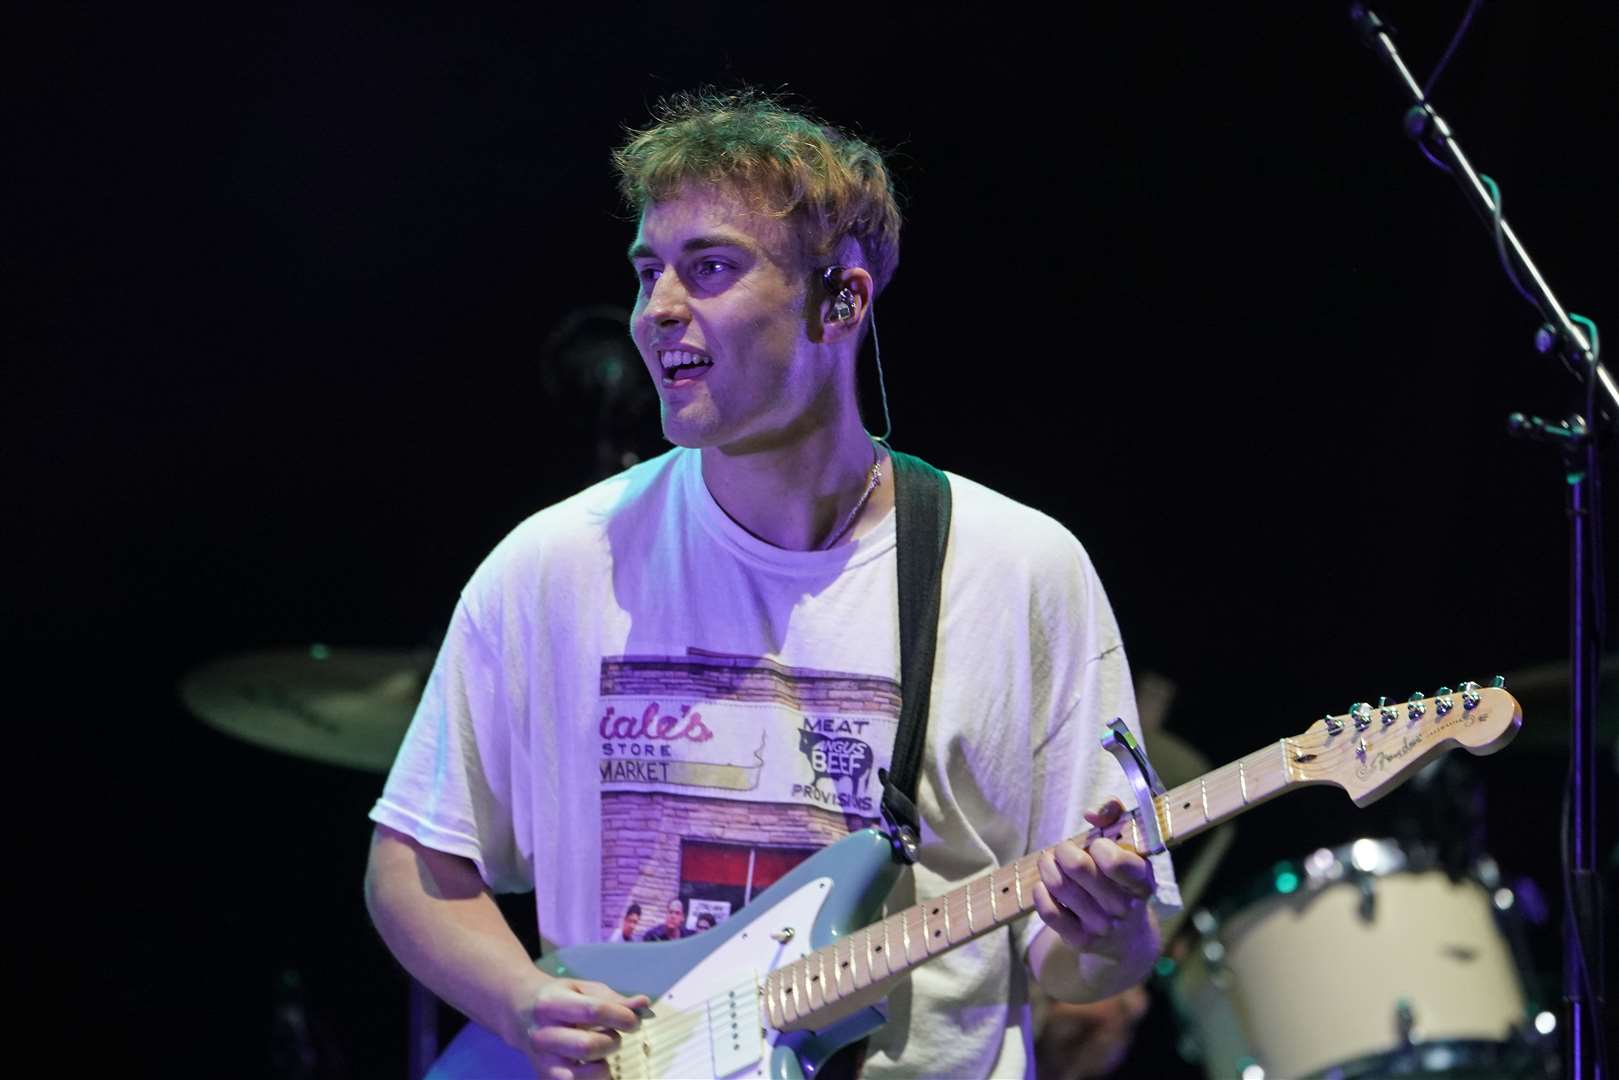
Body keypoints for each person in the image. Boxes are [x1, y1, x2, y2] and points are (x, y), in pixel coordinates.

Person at [364, 87, 1175, 1079]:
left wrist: (1107, 922)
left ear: (840, 301)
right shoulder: (554, 564)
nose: (658, 309)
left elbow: (1082, 970)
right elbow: (412, 867)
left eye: (707, 268)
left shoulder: (1019, 571)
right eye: (647, 272)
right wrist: (518, 1000)